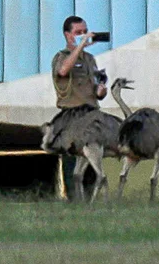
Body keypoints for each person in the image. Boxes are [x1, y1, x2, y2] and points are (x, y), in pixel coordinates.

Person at [50, 15, 107, 200]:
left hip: (91, 113)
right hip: (72, 114)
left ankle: (91, 198)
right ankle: (74, 199)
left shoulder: (90, 59)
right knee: (72, 158)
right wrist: (80, 46)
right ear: (68, 35)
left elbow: (94, 85)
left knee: (92, 156)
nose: (83, 36)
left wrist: (101, 91)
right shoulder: (62, 57)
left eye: (85, 32)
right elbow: (63, 71)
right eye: (78, 33)